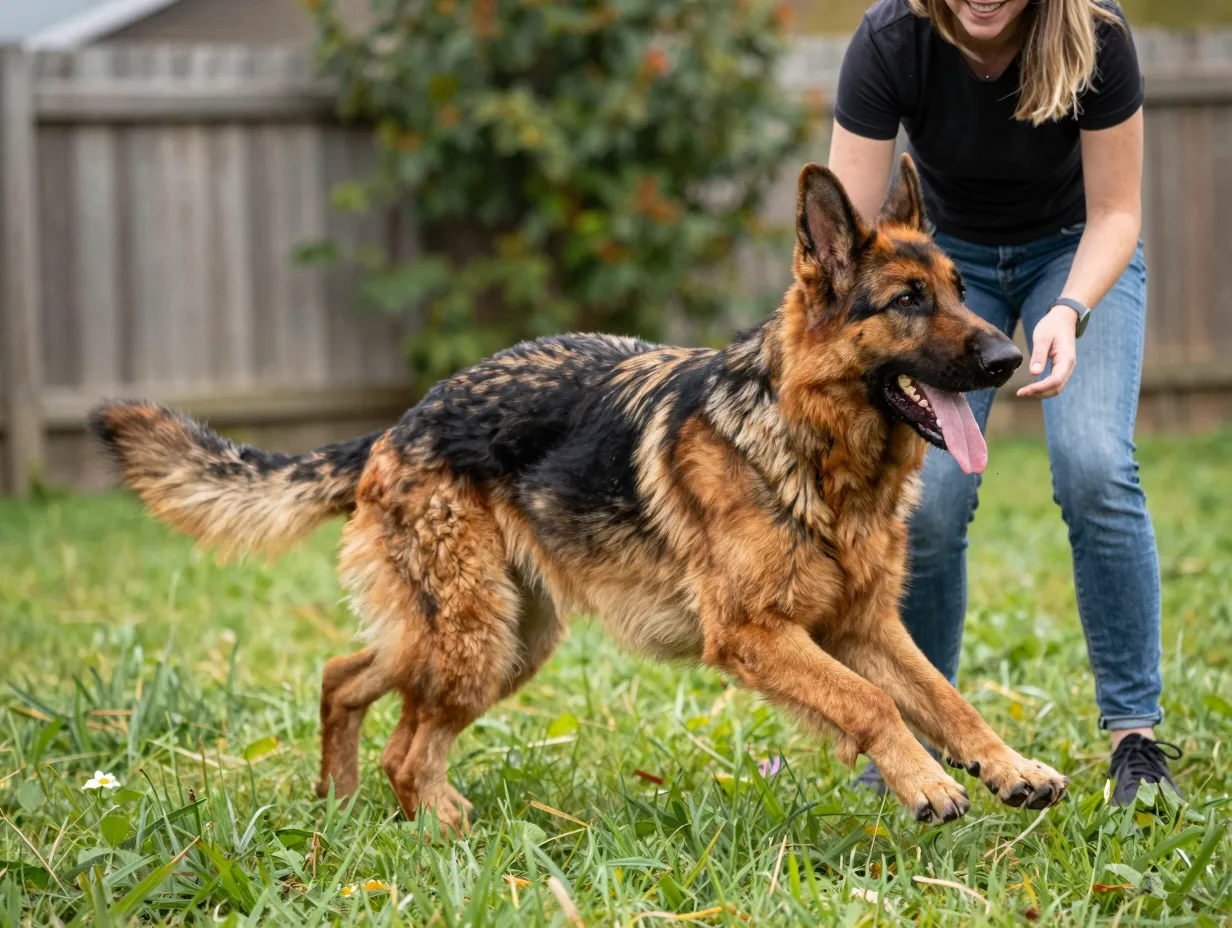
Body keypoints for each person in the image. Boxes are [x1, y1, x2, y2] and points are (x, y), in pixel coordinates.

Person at [827, 0, 1182, 804]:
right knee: (935, 499)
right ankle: (917, 735)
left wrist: (1071, 310)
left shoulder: (1096, 35)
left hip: (1075, 251)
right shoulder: (894, 39)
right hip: (948, 272)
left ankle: (1136, 738)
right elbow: (840, 246)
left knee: (1095, 465)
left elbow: (1118, 213)